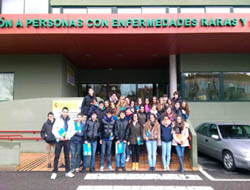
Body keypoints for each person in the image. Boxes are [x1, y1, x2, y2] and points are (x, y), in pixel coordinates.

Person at [51, 107, 75, 180]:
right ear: (62, 112)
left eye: (66, 112)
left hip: (67, 140)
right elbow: (54, 130)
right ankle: (54, 172)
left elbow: (73, 130)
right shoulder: (58, 120)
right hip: (59, 140)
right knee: (57, 156)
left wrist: (69, 136)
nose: (65, 113)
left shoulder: (71, 120)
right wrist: (59, 136)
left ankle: (67, 172)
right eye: (64, 111)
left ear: (68, 113)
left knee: (67, 156)